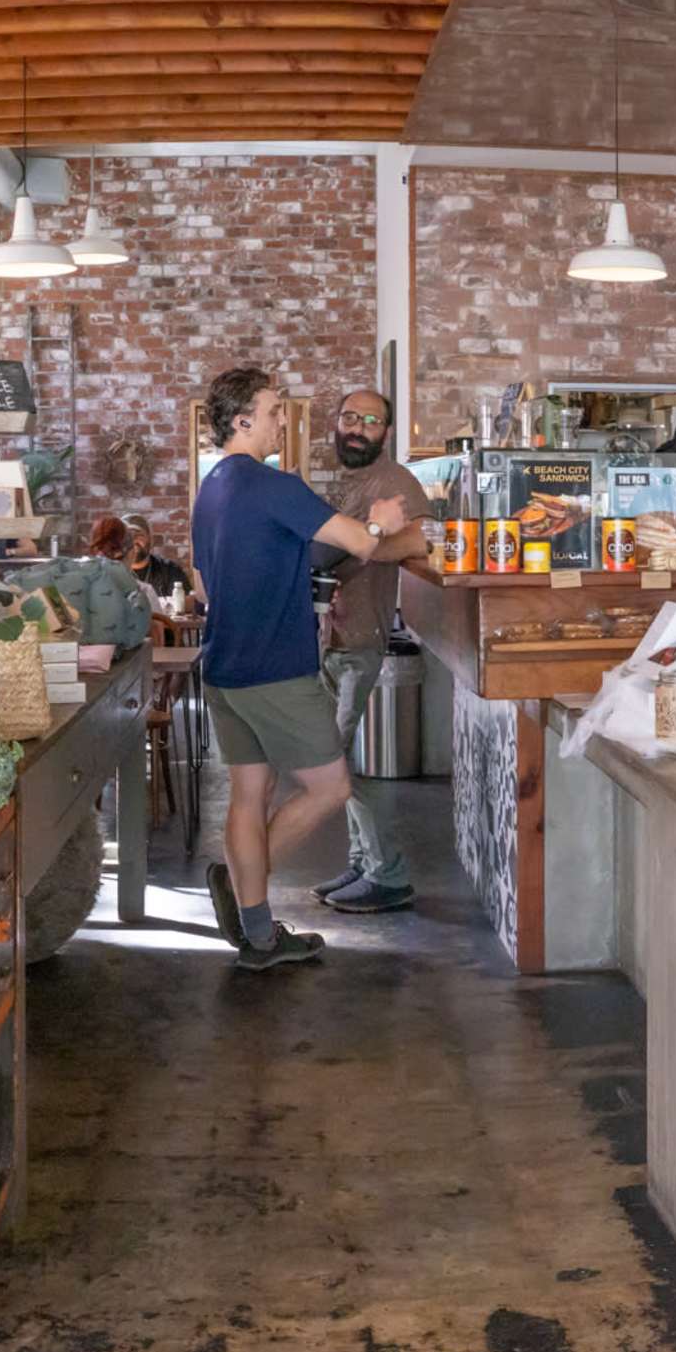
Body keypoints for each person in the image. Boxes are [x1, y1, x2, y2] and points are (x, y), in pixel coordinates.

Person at [188, 366, 412, 971]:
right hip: (277, 669)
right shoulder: (275, 484)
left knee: (248, 794)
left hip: (225, 665)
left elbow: (204, 584)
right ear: (243, 421)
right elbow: (360, 543)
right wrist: (383, 521)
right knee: (330, 787)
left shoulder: (211, 488)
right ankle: (242, 892)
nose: (281, 421)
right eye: (273, 411)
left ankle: (258, 938)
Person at [315, 387, 434, 914]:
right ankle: (366, 861)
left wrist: (359, 545)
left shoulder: (395, 482)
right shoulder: (350, 480)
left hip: (358, 637)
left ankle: (388, 873)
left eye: (370, 420)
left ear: (386, 431)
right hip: (328, 636)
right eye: (350, 417)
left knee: (330, 759)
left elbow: (421, 540)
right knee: (337, 756)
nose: (358, 427)